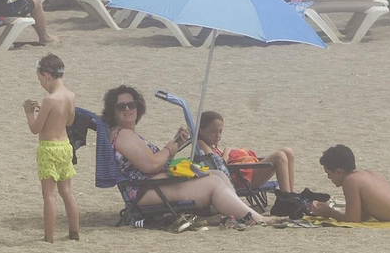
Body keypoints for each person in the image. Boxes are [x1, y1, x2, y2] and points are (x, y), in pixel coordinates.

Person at [104, 85, 271, 225]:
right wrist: (169, 149)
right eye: (121, 106)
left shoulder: (128, 134)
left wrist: (175, 143)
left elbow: (152, 162)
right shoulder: (124, 135)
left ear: (138, 107)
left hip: (154, 185)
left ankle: (242, 213)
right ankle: (257, 219)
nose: (127, 109)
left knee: (217, 174)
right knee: (213, 183)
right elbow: (150, 165)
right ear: (113, 111)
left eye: (131, 105)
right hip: (145, 191)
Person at [25, 54, 79, 242]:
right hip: (65, 146)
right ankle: (74, 232)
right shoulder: (70, 96)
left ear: (47, 75)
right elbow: (70, 121)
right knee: (67, 192)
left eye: (40, 79)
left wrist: (29, 113)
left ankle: (49, 236)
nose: (41, 83)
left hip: (48, 148)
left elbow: (35, 128)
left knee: (49, 195)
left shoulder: (49, 100)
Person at [196, 110, 296, 193]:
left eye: (220, 131)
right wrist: (227, 151)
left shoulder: (212, 146)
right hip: (239, 179)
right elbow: (219, 166)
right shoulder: (201, 143)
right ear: (201, 131)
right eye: (214, 131)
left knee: (288, 152)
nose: (218, 135)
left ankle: (291, 195)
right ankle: (286, 200)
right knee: (279, 156)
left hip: (243, 173)